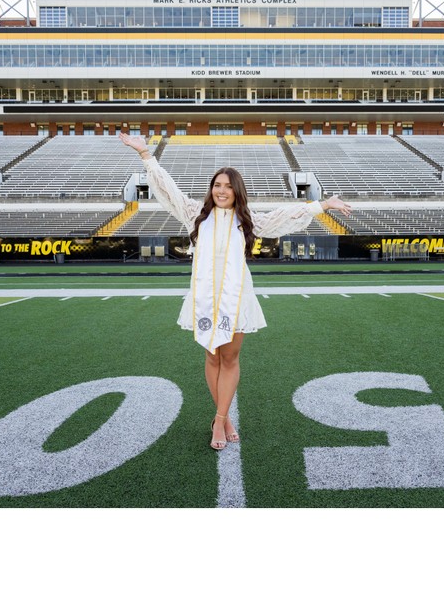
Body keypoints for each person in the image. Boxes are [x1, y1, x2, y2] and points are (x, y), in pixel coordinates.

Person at [120, 133, 352, 450]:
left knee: (229, 358)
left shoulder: (247, 220)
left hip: (237, 298)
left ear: (237, 191)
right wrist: (145, 154)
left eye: (229, 186)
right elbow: (167, 188)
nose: (222, 190)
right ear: (211, 189)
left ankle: (218, 419)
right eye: (218, 185)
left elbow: (284, 217)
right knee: (211, 356)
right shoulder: (194, 215)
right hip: (204, 299)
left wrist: (323, 204)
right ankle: (224, 417)